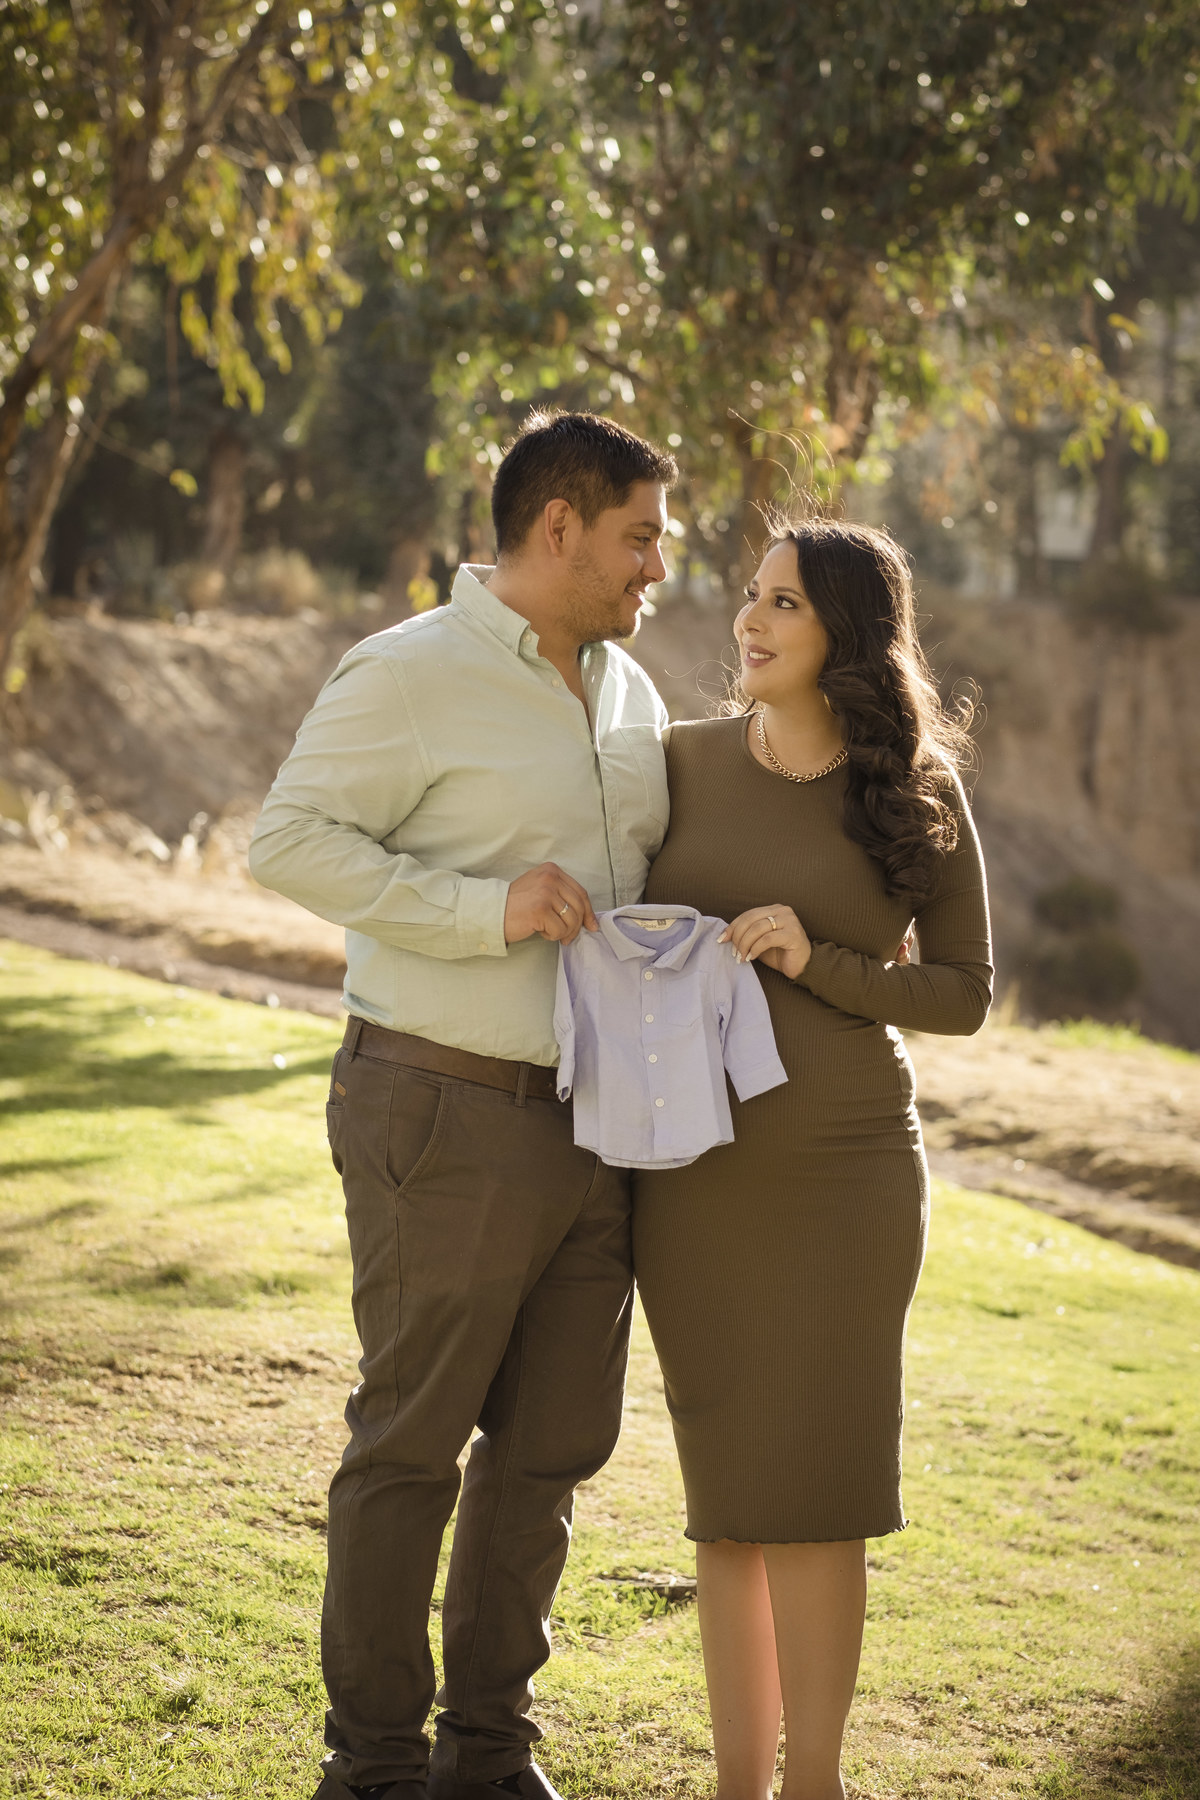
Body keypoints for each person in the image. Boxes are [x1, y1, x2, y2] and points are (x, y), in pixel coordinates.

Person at [249, 411, 677, 1800]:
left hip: (596, 1123)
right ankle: (370, 1767)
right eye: (637, 537)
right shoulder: (409, 673)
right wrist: (481, 911)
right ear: (559, 525)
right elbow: (289, 841)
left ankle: (486, 1754)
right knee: (413, 1441)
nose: (655, 567)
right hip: (439, 1104)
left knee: (552, 1442)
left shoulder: (633, 696)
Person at [632, 518, 993, 1800]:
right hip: (691, 1172)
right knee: (726, 1495)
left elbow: (964, 994)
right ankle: (739, 1786)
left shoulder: (915, 791)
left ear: (843, 629)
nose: (751, 619)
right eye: (751, 596)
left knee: (818, 1489)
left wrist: (819, 960)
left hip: (843, 1174)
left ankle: (816, 1783)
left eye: (783, 602)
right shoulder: (672, 762)